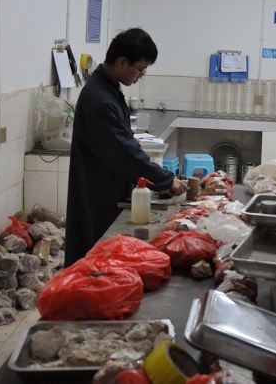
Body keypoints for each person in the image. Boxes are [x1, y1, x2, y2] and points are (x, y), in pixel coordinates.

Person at [64, 28, 187, 267]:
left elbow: (124, 144)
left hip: (109, 189)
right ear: (122, 61)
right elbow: (124, 154)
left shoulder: (109, 89)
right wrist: (164, 180)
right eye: (140, 69)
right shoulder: (99, 100)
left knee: (105, 262)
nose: (140, 76)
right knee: (93, 263)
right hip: (98, 197)